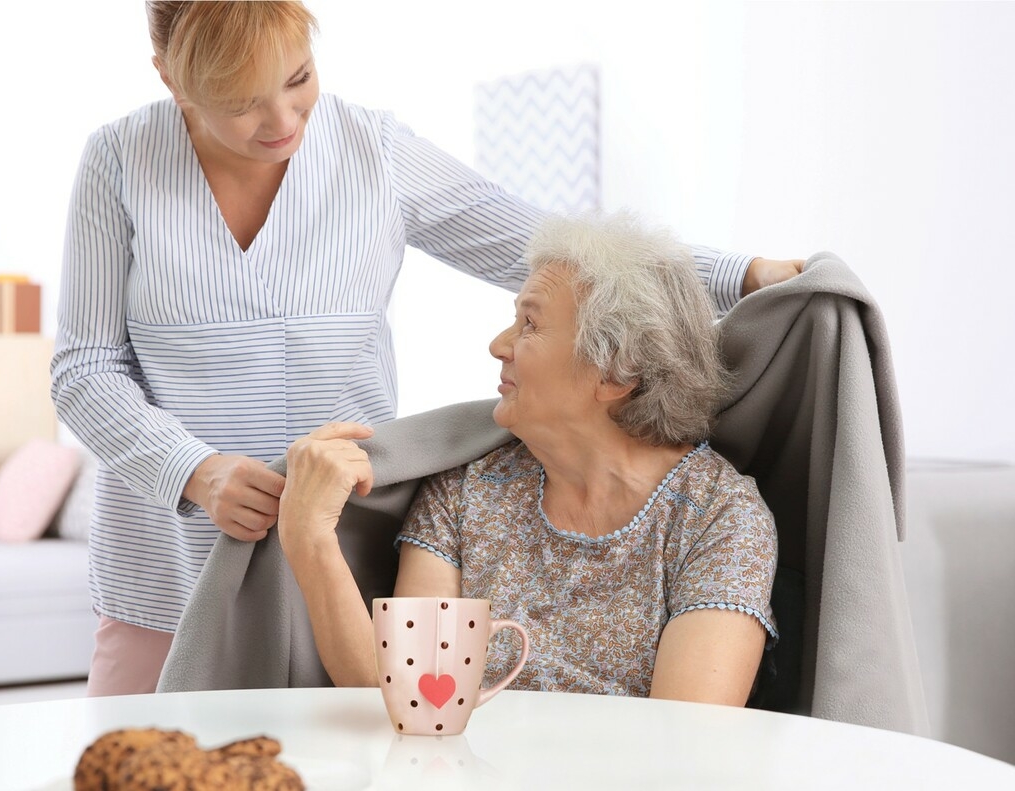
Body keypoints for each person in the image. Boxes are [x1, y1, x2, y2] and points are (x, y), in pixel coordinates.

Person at [51, 0, 797, 697]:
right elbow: (83, 370)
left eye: (299, 79)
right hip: (165, 562)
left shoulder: (372, 153)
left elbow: (539, 241)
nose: (282, 119)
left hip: (326, 560)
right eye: (243, 102)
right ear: (172, 82)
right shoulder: (120, 162)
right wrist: (198, 473)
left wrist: (744, 274)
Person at [278, 210, 778, 704]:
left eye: (530, 324)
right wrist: (310, 537)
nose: (499, 345)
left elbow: (688, 743)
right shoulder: (467, 490)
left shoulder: (719, 516)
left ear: (616, 373)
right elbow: (406, 699)